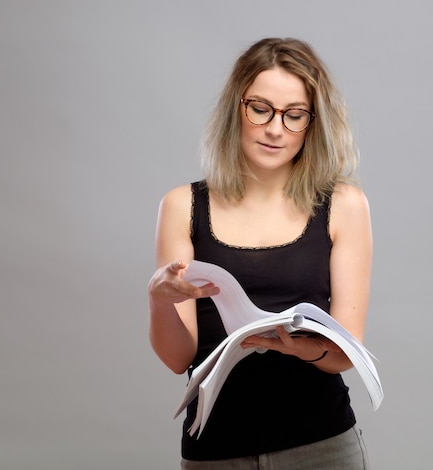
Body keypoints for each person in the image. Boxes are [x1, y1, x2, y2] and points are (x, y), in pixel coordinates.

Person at [148, 37, 373, 469]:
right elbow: (179, 359)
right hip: (216, 452)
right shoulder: (182, 206)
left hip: (322, 445)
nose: (275, 128)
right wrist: (159, 300)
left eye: (294, 116)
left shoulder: (344, 204)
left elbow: (347, 353)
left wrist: (298, 347)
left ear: (312, 124)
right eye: (261, 109)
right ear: (238, 108)